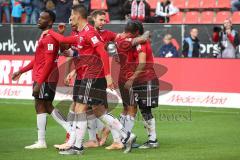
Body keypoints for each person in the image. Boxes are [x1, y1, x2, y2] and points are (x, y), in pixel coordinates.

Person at [46, 4, 136, 155]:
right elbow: (64, 39)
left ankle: (77, 147)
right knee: (98, 110)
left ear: (78, 16)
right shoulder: (81, 33)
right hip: (84, 76)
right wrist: (51, 32)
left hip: (93, 76)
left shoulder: (90, 32)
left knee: (80, 109)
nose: (70, 18)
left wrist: (108, 77)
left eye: (72, 15)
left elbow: (103, 53)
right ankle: (127, 134)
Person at [12, 10, 71, 149]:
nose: (39, 20)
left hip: (46, 77)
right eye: (39, 17)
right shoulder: (45, 36)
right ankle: (42, 140)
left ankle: (69, 130)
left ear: (50, 22)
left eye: (42, 18)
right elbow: (38, 60)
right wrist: (21, 71)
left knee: (45, 105)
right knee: (42, 105)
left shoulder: (50, 38)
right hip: (42, 76)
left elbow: (49, 62)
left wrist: (40, 82)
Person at [116, 20, 159, 149]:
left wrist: (131, 78)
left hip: (146, 79)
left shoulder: (141, 43)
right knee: (132, 108)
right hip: (137, 80)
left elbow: (142, 63)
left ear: (135, 33)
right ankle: (127, 138)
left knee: (145, 110)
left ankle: (152, 140)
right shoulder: (131, 42)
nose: (126, 34)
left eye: (128, 32)